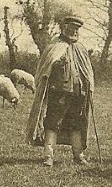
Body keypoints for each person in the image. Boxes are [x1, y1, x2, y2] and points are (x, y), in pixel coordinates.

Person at [25, 15, 95, 166]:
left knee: (76, 123)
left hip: (78, 94)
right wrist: (56, 65)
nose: (73, 32)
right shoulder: (55, 47)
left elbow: (87, 71)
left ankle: (78, 155)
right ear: (64, 28)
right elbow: (45, 69)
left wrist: (88, 87)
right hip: (59, 93)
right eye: (70, 28)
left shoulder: (81, 49)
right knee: (53, 123)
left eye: (76, 29)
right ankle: (48, 156)